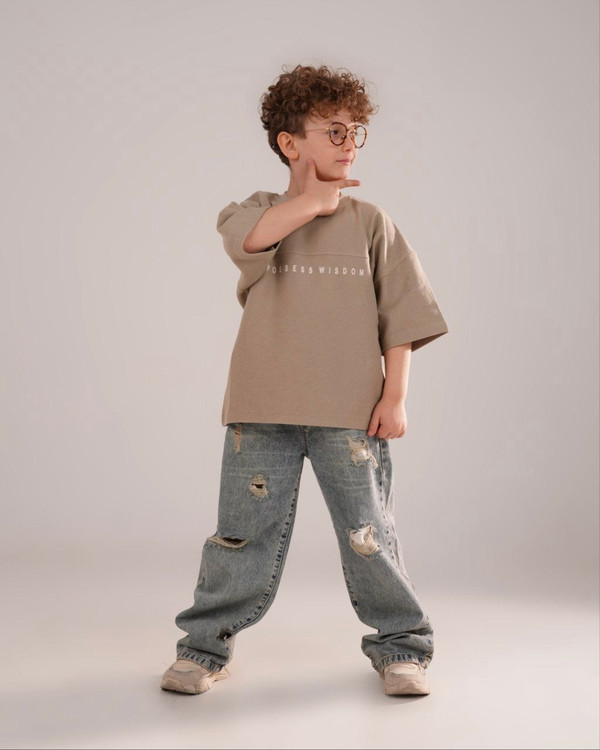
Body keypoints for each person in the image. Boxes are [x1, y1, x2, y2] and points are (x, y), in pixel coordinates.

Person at [160, 63, 449, 697]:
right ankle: (204, 648)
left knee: (370, 535)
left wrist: (395, 395)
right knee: (239, 536)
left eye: (356, 132)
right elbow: (251, 241)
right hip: (261, 408)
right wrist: (315, 202)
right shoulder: (252, 211)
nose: (350, 144)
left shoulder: (371, 222)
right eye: (334, 131)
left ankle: (402, 646)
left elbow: (401, 316)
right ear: (289, 143)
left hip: (351, 411)